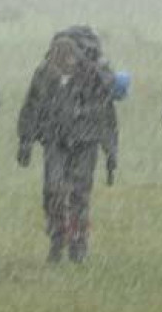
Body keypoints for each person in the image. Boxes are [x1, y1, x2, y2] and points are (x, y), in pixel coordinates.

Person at [17, 28, 120, 263]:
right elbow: (31, 108)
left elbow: (106, 116)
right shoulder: (43, 74)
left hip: (85, 143)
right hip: (55, 141)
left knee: (79, 194)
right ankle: (56, 240)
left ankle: (77, 246)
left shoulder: (92, 76)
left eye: (69, 58)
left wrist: (110, 152)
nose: (65, 64)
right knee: (52, 190)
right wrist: (25, 141)